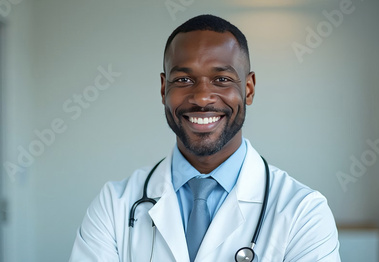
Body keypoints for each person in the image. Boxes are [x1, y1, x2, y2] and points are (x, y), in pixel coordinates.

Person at [69, 14, 340, 262]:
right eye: (184, 80)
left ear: (248, 89)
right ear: (164, 89)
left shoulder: (304, 212)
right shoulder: (114, 205)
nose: (201, 98)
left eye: (221, 79)